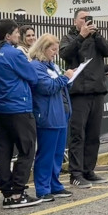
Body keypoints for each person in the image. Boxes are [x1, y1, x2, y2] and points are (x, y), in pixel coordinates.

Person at [0, 19, 43, 208]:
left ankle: (8, 192)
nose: (19, 36)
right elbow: (33, 77)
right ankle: (18, 192)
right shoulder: (14, 53)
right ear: (8, 36)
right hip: (18, 107)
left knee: (4, 151)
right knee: (27, 149)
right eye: (17, 33)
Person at [60, 9, 108, 189]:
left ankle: (88, 170)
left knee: (93, 135)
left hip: (97, 90)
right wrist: (81, 37)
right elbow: (65, 55)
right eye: (83, 19)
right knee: (78, 134)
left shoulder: (96, 37)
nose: (87, 21)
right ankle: (75, 173)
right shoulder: (69, 38)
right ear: (76, 21)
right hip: (79, 93)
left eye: (88, 18)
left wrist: (96, 35)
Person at [29, 34, 76, 202]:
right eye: (53, 49)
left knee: (57, 154)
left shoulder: (51, 65)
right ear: (43, 48)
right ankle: (42, 188)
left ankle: (54, 184)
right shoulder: (36, 66)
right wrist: (65, 78)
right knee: (46, 153)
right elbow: (46, 87)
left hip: (60, 114)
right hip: (48, 115)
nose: (55, 53)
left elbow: (60, 85)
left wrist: (68, 79)